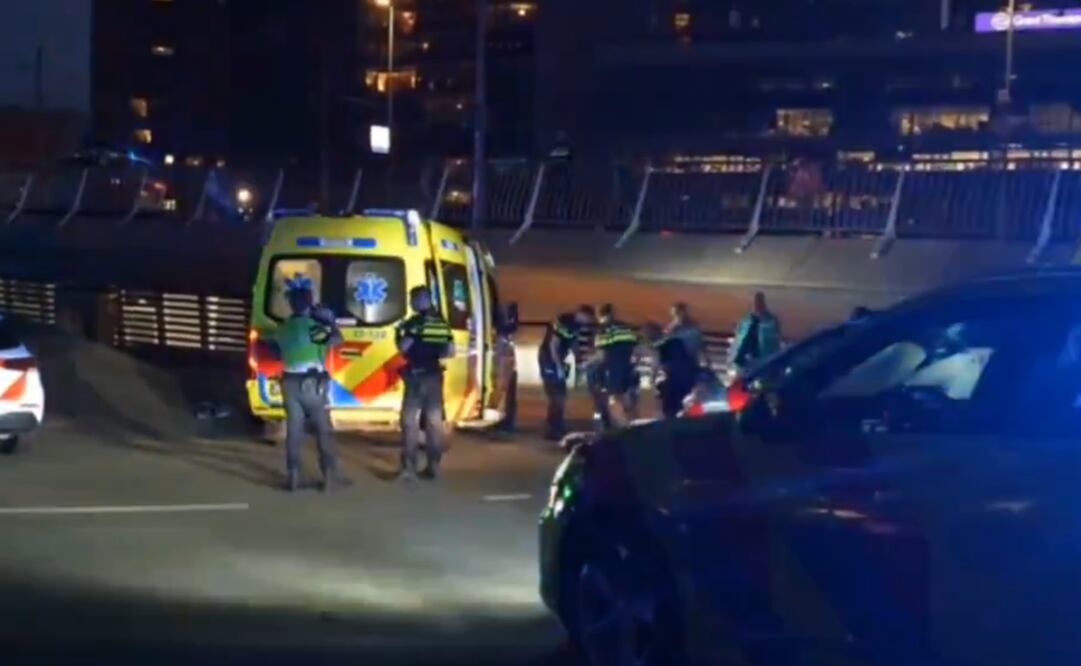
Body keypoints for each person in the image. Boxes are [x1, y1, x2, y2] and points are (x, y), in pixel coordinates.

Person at [275, 276, 343, 493]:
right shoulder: (315, 328)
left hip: (289, 383)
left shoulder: (282, 329)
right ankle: (328, 477)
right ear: (310, 303)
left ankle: (293, 476)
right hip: (312, 385)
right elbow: (337, 340)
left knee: (294, 431)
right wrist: (329, 321)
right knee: (323, 430)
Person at [396, 286, 455, 482]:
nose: (412, 304)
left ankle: (409, 468)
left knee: (409, 422)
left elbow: (403, 348)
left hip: (416, 377)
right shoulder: (442, 323)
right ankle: (434, 466)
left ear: (421, 300)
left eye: (413, 300)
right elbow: (450, 352)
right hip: (435, 376)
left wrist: (399, 335)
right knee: (434, 423)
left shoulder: (415, 323)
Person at [539, 305, 596, 441]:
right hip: (549, 359)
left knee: (561, 394)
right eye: (587, 319)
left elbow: (573, 345)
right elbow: (553, 345)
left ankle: (556, 426)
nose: (588, 323)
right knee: (557, 395)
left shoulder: (576, 325)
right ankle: (553, 429)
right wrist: (558, 366)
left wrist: (579, 362)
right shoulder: (565, 321)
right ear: (581, 314)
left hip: (557, 359)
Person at [592, 304, 640, 431]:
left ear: (599, 315)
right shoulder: (626, 327)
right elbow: (637, 349)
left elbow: (601, 355)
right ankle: (635, 427)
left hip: (613, 368)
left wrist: (588, 362)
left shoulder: (603, 329)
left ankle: (624, 429)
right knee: (629, 399)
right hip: (629, 367)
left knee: (614, 398)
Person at [645, 322, 701, 419]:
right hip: (682, 370)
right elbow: (657, 363)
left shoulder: (682, 396)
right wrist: (652, 380)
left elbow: (657, 363)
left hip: (687, 373)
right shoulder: (663, 346)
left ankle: (679, 321)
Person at [729, 291, 782, 375]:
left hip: (762, 358)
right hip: (749, 358)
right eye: (756, 303)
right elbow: (740, 338)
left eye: (759, 302)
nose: (757, 305)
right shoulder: (747, 320)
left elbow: (774, 339)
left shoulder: (770, 321)